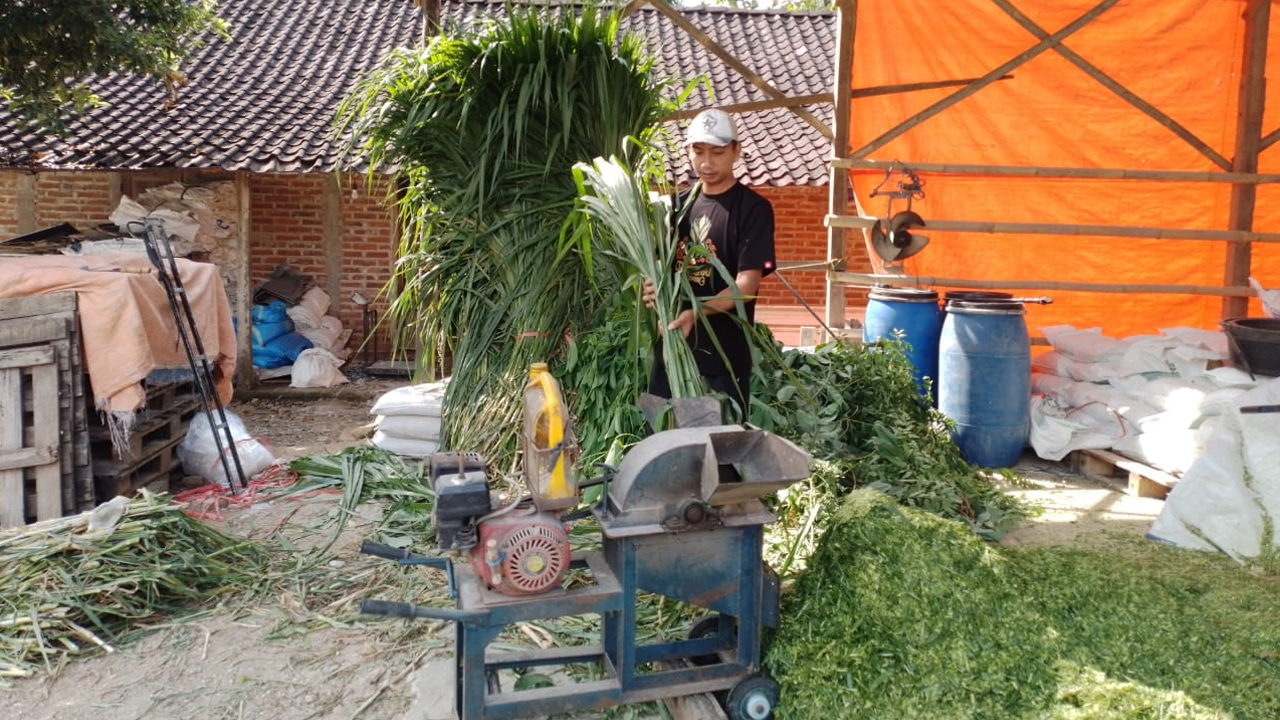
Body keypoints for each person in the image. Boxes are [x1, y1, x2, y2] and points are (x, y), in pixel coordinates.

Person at [647, 107, 776, 418]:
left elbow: (746, 286)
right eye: (698, 151)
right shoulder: (676, 208)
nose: (706, 163)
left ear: (736, 151)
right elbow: (662, 269)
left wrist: (696, 312)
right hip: (674, 350)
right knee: (661, 438)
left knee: (721, 447)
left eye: (717, 152)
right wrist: (651, 289)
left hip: (725, 356)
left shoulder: (753, 210)